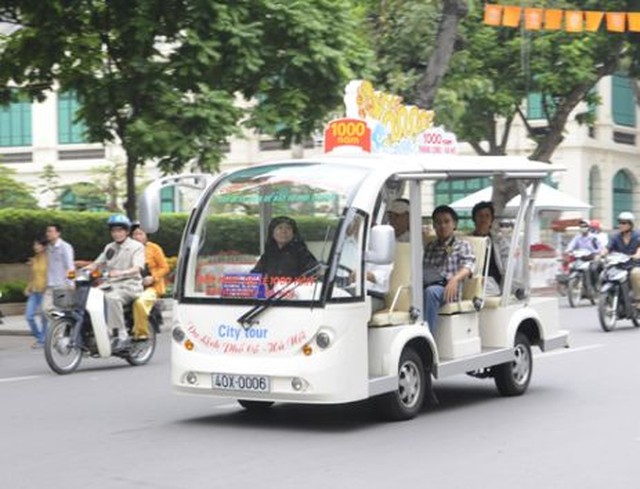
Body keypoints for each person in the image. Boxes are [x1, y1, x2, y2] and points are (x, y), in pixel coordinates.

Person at [84, 214, 145, 349]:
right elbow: (97, 264)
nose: (116, 234)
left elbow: (137, 268)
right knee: (89, 296)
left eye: (120, 230)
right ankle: (98, 330)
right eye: (113, 231)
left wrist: (121, 272)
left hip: (130, 285)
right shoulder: (109, 247)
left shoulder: (137, 247)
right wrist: (81, 272)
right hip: (111, 284)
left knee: (112, 298)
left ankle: (120, 333)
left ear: (127, 231)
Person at [422, 205, 475, 333]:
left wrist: (454, 279)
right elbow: (425, 269)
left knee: (431, 292)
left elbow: (469, 266)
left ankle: (428, 336)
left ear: (454, 224)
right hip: (430, 283)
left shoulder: (463, 245)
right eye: (438, 222)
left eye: (446, 221)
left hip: (450, 289)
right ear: (434, 226)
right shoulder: (430, 247)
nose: (442, 226)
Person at [130, 222, 170, 341]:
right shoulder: (128, 249)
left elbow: (165, 267)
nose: (137, 237)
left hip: (151, 287)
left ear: (146, 235)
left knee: (140, 302)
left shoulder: (154, 248)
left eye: (140, 234)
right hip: (131, 285)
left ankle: (141, 333)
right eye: (135, 234)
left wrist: (153, 277)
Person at [252, 216, 319, 284]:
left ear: (294, 234)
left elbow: (313, 275)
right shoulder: (268, 254)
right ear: (272, 233)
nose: (284, 231)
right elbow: (255, 275)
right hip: (271, 294)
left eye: (288, 228)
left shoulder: (302, 253)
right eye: (280, 228)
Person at [470, 201, 509, 295]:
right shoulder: (467, 241)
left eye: (487, 216)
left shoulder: (500, 241)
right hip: (473, 281)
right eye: (480, 216)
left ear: (492, 219)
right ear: (474, 219)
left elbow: (507, 264)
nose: (483, 219)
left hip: (494, 283)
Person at [605, 211, 640, 301]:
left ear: (630, 224)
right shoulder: (615, 236)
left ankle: (638, 300)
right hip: (619, 265)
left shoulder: (637, 235)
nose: (620, 225)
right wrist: (600, 254)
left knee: (635, 274)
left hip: (634, 264)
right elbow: (607, 248)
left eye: (624, 223)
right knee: (604, 273)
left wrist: (637, 255)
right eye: (620, 222)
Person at [43, 223, 75, 315]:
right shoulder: (48, 247)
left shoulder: (65, 247)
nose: (47, 233)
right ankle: (59, 327)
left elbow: (70, 266)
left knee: (61, 309)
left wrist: (71, 283)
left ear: (58, 233)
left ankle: (62, 327)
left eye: (50, 231)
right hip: (50, 284)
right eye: (47, 231)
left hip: (62, 285)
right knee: (46, 309)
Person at [24, 237, 49, 348]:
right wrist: (28, 287)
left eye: (37, 245)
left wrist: (47, 287)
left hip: (45, 291)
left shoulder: (49, 259)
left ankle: (43, 341)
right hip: (34, 292)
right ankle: (40, 337)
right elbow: (33, 276)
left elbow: (51, 274)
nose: (35, 247)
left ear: (43, 246)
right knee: (29, 316)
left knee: (44, 317)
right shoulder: (34, 259)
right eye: (34, 245)